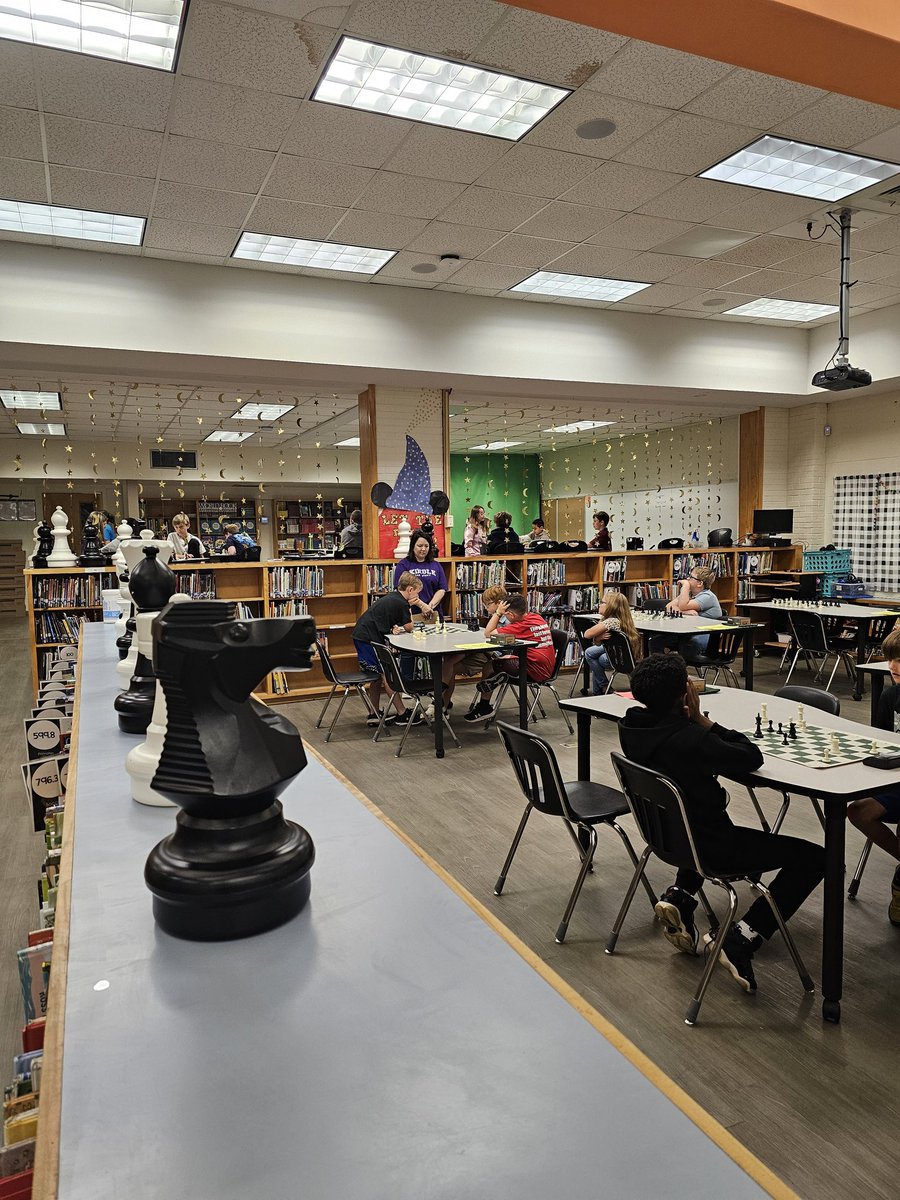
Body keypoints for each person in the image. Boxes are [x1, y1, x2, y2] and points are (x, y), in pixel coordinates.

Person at [619, 653, 824, 992]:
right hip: (712, 847)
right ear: (686, 693)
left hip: (669, 837)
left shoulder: (632, 725)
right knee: (816, 858)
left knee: (695, 818)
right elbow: (750, 756)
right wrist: (701, 719)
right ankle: (744, 936)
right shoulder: (692, 739)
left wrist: (687, 718)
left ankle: (681, 896)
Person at [847, 627, 900, 925]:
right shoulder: (889, 696)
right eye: (890, 660)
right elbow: (879, 746)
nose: (893, 667)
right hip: (894, 781)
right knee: (857, 811)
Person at [464, 592, 556, 723]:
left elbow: (488, 633)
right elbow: (512, 638)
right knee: (505, 657)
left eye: (506, 615)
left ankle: (485, 706)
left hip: (532, 671)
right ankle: (501, 676)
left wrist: (498, 613)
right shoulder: (536, 618)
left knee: (489, 666)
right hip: (544, 666)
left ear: (511, 615)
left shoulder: (520, 626)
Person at [351, 572, 425, 728]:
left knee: (376, 677)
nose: (418, 595)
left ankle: (374, 713)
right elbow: (409, 627)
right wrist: (422, 623)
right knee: (387, 674)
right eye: (417, 592)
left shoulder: (393, 597)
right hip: (368, 639)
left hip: (362, 635)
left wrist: (393, 627)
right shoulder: (401, 603)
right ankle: (401, 713)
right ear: (410, 590)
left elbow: (386, 619)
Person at [433, 585, 509, 715]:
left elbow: (496, 639)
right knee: (449, 663)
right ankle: (443, 704)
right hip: (485, 652)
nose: (485, 608)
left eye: (487, 604)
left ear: (498, 603)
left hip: (495, 656)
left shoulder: (507, 619)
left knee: (452, 661)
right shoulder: (495, 617)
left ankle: (440, 703)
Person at [650, 565, 722, 660]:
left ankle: (679, 671)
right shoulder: (690, 595)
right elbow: (668, 607)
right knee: (656, 641)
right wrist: (686, 612)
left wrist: (685, 586)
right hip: (689, 633)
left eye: (691, 577)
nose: (688, 579)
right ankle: (662, 669)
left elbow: (683, 606)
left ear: (700, 583)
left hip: (707, 636)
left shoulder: (708, 597)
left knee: (687, 644)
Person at [581, 591, 641, 695]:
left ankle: (603, 687)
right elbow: (598, 643)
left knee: (593, 656)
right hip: (618, 653)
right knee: (593, 655)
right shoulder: (617, 619)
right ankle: (600, 690)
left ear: (611, 606)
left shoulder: (611, 621)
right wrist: (598, 638)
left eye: (602, 602)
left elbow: (587, 634)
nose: (599, 604)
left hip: (619, 658)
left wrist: (597, 638)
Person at [393, 529, 448, 617]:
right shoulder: (403, 565)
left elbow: (442, 589)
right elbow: (401, 590)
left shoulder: (436, 565)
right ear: (413, 546)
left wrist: (429, 606)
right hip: (412, 613)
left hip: (433, 612)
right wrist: (422, 605)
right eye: (420, 546)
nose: (423, 549)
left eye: (426, 546)